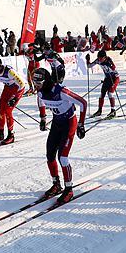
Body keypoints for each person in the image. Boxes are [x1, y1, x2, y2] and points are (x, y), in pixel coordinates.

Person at [33, 67, 87, 203]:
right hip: (57, 123)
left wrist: (81, 124)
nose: (36, 86)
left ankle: (69, 190)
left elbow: (82, 103)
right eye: (34, 83)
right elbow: (40, 102)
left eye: (38, 84)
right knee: (50, 155)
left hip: (69, 123)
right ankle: (56, 184)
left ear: (46, 82)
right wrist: (43, 118)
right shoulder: (40, 93)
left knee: (62, 157)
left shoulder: (61, 91)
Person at [0, 57, 26, 144]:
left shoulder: (9, 72)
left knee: (8, 110)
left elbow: (22, 84)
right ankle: (0, 134)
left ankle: (11, 135)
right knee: (1, 111)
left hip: (17, 89)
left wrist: (15, 98)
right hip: (7, 88)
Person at [86, 50, 119, 119]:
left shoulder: (108, 60)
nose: (100, 60)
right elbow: (89, 66)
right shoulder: (98, 60)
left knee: (110, 93)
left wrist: (109, 65)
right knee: (102, 94)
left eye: (101, 58)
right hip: (107, 78)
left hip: (114, 78)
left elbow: (114, 68)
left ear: (105, 57)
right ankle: (99, 110)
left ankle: (113, 110)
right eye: (99, 58)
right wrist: (87, 60)